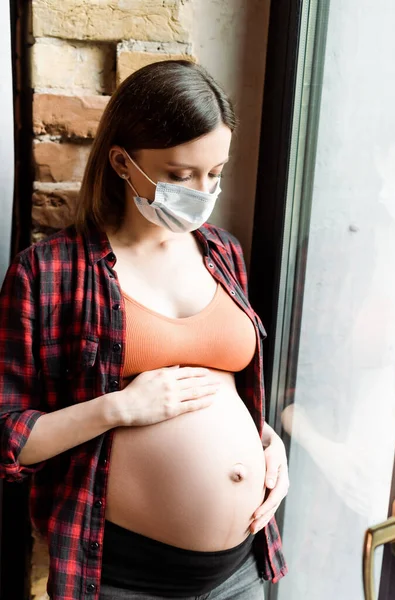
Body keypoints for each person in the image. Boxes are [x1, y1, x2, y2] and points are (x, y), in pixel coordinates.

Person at [0, 60, 288, 600]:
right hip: (125, 579)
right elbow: (8, 434)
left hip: (244, 568)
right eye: (180, 176)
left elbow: (229, 387)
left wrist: (266, 443)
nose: (202, 193)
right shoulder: (49, 272)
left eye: (215, 173)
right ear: (122, 162)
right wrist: (118, 409)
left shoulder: (224, 253)